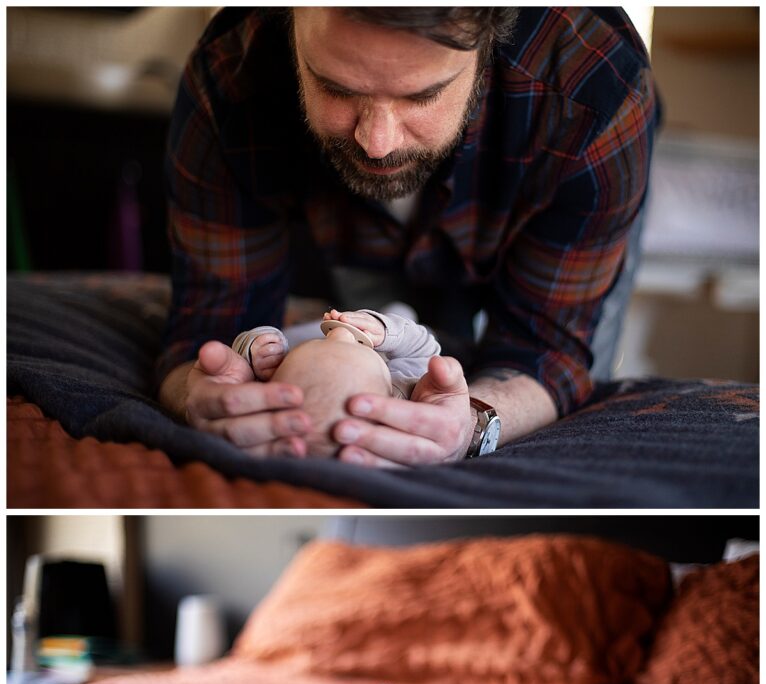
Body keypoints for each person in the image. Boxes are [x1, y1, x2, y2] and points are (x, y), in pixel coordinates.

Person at [159, 8, 659, 466]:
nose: (377, 143)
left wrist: (473, 424)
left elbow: (547, 351)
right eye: (336, 88)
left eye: (421, 95)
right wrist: (201, 397)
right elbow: (211, 325)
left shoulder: (596, 90)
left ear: (488, 43)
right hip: (348, 243)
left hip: (559, 172)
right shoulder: (228, 74)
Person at [231, 306, 442, 456]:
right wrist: (387, 331)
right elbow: (426, 352)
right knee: (402, 310)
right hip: (387, 339)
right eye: (357, 346)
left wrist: (257, 350)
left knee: (289, 333)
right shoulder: (400, 395)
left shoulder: (276, 378)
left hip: (299, 333)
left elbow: (236, 363)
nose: (340, 333)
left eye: (321, 345)